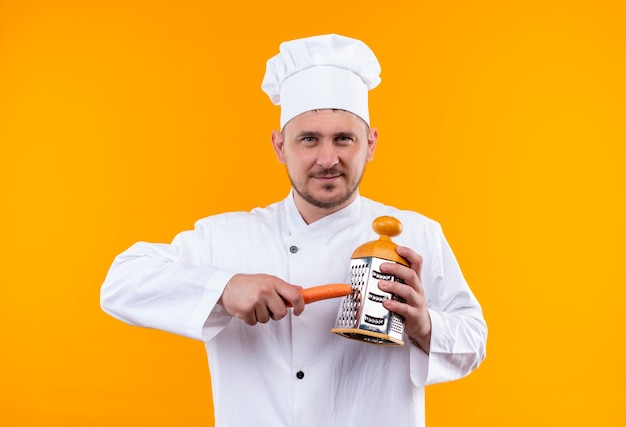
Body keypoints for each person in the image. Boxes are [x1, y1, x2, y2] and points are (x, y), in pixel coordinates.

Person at [101, 34, 487, 427]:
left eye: (343, 139)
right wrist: (225, 288)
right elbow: (119, 283)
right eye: (308, 139)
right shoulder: (225, 238)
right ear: (279, 146)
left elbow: (475, 341)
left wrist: (424, 324)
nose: (327, 158)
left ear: (370, 144)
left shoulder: (417, 235)